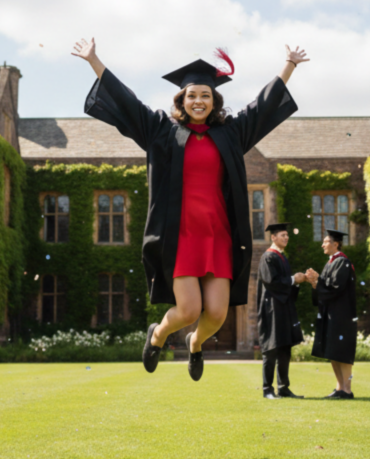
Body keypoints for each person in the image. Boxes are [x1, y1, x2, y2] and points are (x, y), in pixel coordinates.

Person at [73, 38, 308, 380]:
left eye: (205, 95)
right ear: (182, 100)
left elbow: (261, 107)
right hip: (180, 235)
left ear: (214, 101)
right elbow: (127, 102)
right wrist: (95, 61)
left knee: (217, 313)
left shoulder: (231, 134)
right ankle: (157, 335)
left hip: (218, 234)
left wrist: (289, 65)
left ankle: (195, 343)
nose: (199, 101)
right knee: (188, 309)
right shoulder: (162, 132)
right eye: (192, 95)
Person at [256, 223, 307, 399]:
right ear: (273, 237)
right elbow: (273, 282)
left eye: (287, 235)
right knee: (271, 348)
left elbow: (288, 283)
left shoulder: (282, 257)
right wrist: (293, 280)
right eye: (282, 235)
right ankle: (267, 389)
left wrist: (298, 281)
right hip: (271, 309)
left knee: (285, 347)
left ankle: (283, 388)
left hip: (283, 308)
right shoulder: (268, 257)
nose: (286, 237)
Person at [307, 229, 357, 399]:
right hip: (331, 314)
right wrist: (315, 282)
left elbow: (336, 287)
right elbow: (325, 287)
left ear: (335, 244)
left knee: (342, 352)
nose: (322, 245)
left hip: (342, 315)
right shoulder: (331, 263)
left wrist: (318, 281)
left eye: (326, 242)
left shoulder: (342, 262)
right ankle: (339, 388)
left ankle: (347, 390)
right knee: (333, 351)